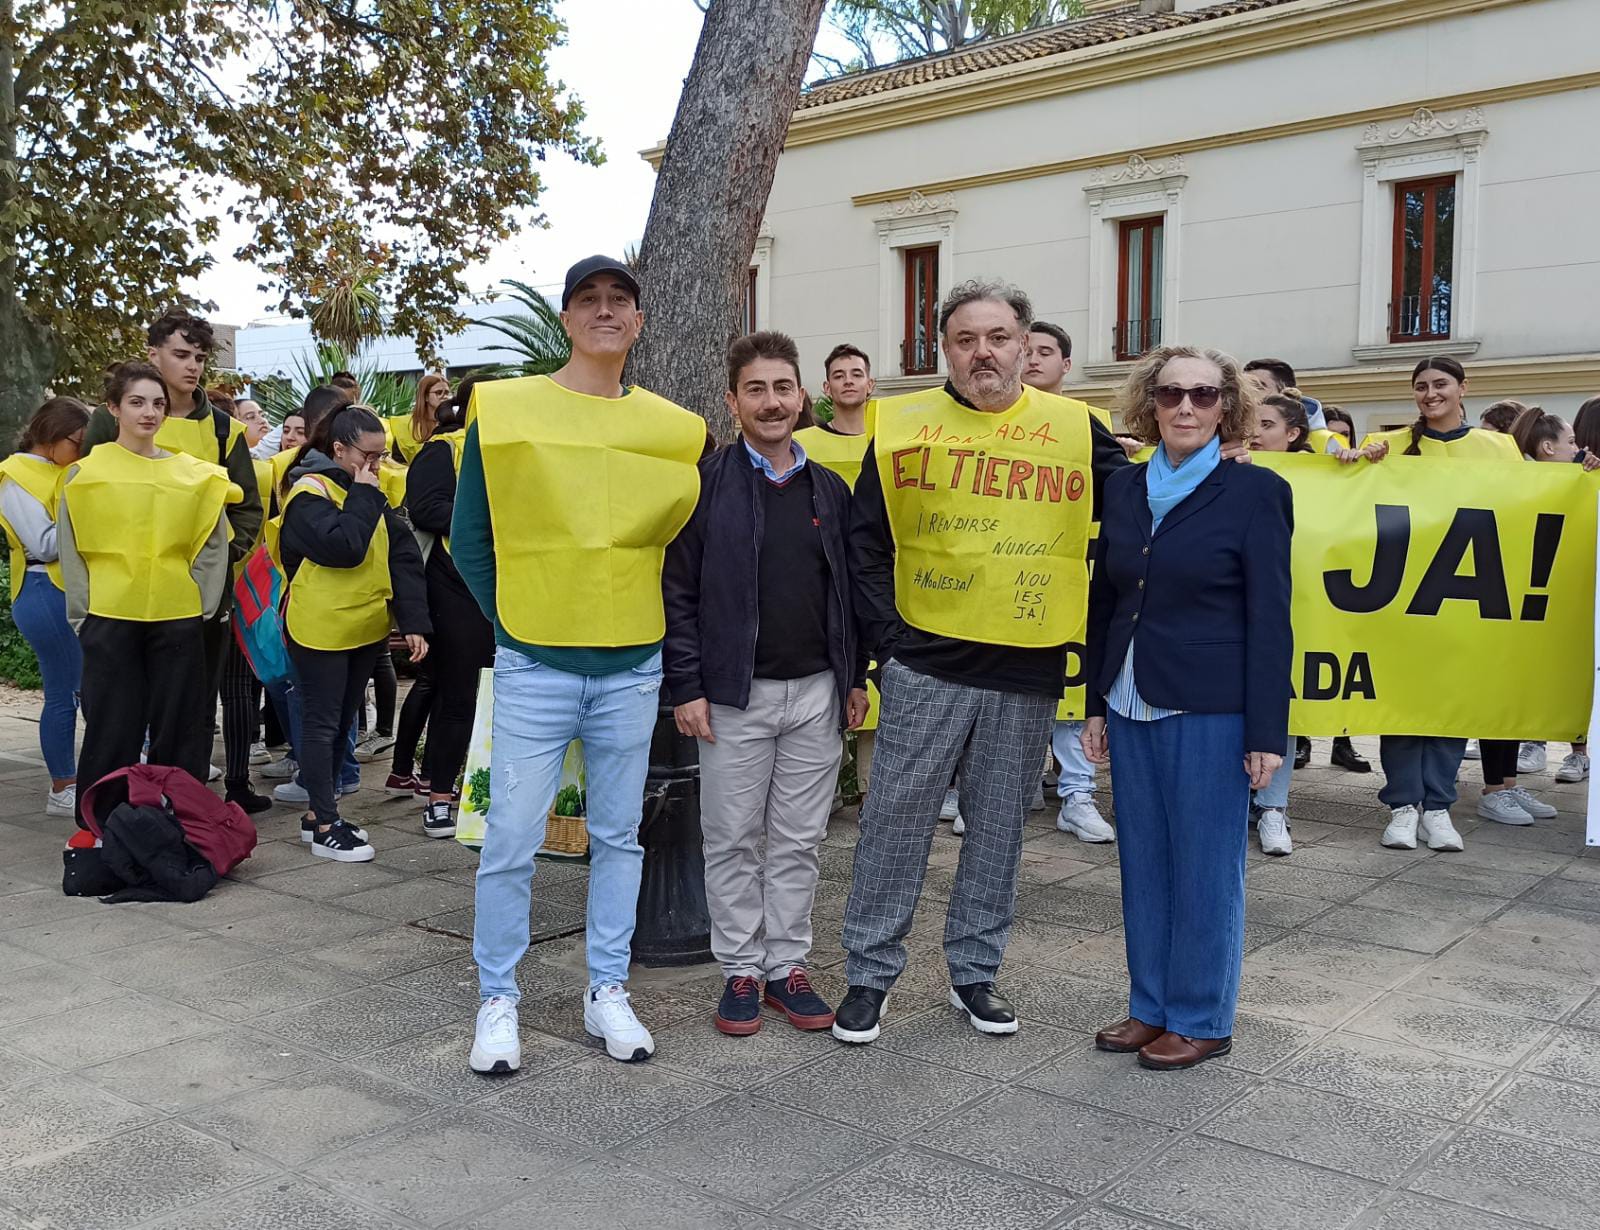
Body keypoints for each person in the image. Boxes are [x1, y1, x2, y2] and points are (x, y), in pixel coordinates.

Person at [835, 279, 1130, 1046]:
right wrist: (892, 640)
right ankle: (868, 975)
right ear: (945, 349)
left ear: (1026, 345)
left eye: (998, 338)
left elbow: (1142, 503)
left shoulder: (1076, 430)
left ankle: (974, 972)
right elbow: (865, 543)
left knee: (998, 829)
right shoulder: (900, 426)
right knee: (895, 823)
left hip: (1026, 666)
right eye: (965, 340)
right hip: (925, 663)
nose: (983, 353)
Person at [454, 255, 704, 1072]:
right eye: (588, 299)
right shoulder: (506, 411)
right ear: (566, 318)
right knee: (511, 838)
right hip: (536, 661)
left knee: (619, 837)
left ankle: (607, 988)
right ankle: (498, 997)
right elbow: (470, 537)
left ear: (638, 321)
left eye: (619, 299)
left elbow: (680, 547)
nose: (604, 310)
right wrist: (515, 624)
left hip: (632, 663)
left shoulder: (673, 428)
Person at [1082, 345, 1293, 1070]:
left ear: (1225, 407)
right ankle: (1152, 1007)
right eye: (1171, 393)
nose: (1186, 407)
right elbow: (1107, 600)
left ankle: (1202, 1017)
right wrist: (1095, 701)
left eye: (1203, 395)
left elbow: (1272, 618)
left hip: (1211, 706)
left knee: (1205, 867)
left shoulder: (1257, 492)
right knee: (1143, 863)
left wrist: (1267, 731)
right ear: (1150, 403)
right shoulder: (1124, 487)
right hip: (1129, 698)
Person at [664, 332, 868, 1036]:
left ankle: (786, 966)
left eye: (783, 388)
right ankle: (741, 971)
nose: (772, 402)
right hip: (733, 696)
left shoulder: (829, 489)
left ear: (802, 396)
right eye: (756, 390)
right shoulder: (704, 486)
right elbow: (677, 592)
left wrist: (855, 675)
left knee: (799, 840)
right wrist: (686, 685)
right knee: (731, 838)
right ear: (733, 401)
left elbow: (849, 591)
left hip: (817, 692)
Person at [80, 310, 264, 785]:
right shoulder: (108, 421)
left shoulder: (223, 430)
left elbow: (246, 508)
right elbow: (84, 499)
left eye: (200, 358)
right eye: (181, 354)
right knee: (115, 712)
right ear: (153, 354)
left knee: (192, 712)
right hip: (119, 599)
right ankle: (111, 807)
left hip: (193, 599)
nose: (193, 366)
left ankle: (183, 802)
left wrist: (215, 564)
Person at [1359, 357, 1527, 849]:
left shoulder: (1500, 447)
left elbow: (1529, 505)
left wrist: (1582, 474)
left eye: (1440, 384)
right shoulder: (1389, 445)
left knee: (1452, 703)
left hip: (1467, 595)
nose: (1431, 393)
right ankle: (1402, 806)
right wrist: (1355, 460)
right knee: (1402, 704)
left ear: (1462, 388)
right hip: (1402, 595)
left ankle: (1438, 807)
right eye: (1421, 386)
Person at [58, 363, 237, 820]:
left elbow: (214, 544)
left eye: (158, 403)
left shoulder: (197, 475)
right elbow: (71, 548)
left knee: (181, 727)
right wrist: (82, 616)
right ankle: (101, 822)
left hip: (178, 616)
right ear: (113, 408)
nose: (149, 412)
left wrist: (202, 604)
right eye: (137, 402)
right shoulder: (84, 475)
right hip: (109, 615)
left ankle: (180, 820)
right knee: (111, 727)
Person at [278, 404, 430, 861]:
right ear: (339, 449)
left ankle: (318, 815)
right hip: (320, 628)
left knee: (344, 721)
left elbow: (402, 555)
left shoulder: (370, 490)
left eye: (382, 455)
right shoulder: (308, 492)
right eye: (368, 456)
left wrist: (414, 622)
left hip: (364, 626)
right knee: (322, 724)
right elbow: (345, 548)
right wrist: (364, 494)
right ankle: (326, 824)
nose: (377, 465)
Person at [1023, 320, 1116, 843]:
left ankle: (1076, 792)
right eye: (1026, 349)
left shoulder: (1083, 423)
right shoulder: (977, 423)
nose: (1033, 359)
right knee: (1010, 690)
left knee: (1071, 686)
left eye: (1045, 351)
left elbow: (1123, 484)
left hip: (1066, 575)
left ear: (1065, 364)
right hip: (1000, 583)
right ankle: (1004, 790)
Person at [403, 377, 494, 832]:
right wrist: (490, 518)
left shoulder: (518, 448)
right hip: (456, 588)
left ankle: (488, 793)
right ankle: (439, 797)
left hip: (513, 588)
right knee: (457, 696)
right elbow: (423, 508)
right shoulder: (443, 450)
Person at [0, 397, 89, 816]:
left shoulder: (59, 470)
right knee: (65, 692)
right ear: (53, 436)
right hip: (43, 589)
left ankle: (76, 780)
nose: (82, 451)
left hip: (62, 589)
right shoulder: (15, 475)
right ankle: (63, 786)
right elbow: (44, 544)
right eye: (77, 442)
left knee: (80, 687)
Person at [1242, 393, 1315, 856]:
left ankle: (1273, 807)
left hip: (1304, 610)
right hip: (1247, 610)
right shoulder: (1228, 470)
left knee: (1279, 708)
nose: (1256, 432)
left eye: (1266, 424)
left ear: (1293, 434)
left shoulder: (1319, 472)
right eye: (1250, 422)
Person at [1510, 406, 1589, 784]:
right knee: (1533, 669)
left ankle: (1578, 751)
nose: (1578, 448)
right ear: (1547, 447)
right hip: (1528, 594)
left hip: (1569, 592)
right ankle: (1533, 741)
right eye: (1571, 442)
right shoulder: (1515, 482)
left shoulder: (1584, 482)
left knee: (1576, 670)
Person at [389, 373, 450, 464]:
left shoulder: (452, 423)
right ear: (425, 396)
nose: (444, 397)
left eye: (447, 393)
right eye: (438, 392)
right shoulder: (405, 425)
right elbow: (398, 463)